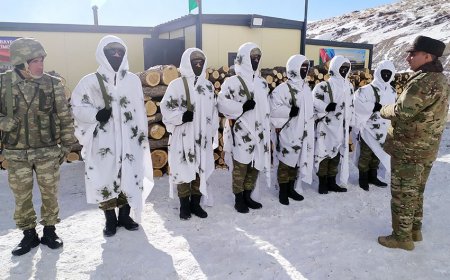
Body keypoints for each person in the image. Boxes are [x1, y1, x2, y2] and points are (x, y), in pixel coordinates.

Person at [71, 35, 154, 237]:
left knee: (128, 174)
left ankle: (125, 215)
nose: (116, 55)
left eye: (120, 52)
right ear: (102, 53)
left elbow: (140, 113)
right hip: (103, 141)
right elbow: (77, 106)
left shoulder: (133, 81)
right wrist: (95, 115)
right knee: (105, 176)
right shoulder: (89, 81)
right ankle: (110, 219)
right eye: (111, 52)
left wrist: (140, 139)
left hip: (129, 141)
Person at [0, 38, 76, 256]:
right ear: (21, 62)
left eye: (42, 60)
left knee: (50, 193)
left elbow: (64, 115)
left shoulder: (52, 83)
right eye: (35, 61)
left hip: (47, 151)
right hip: (16, 153)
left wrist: (66, 145)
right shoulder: (3, 83)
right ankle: (28, 235)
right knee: (21, 196)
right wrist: (4, 122)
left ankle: (50, 231)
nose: (40, 65)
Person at [378, 36, 449, 251]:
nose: (408, 57)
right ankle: (414, 230)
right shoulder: (440, 79)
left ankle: (402, 237)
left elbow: (403, 111)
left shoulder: (423, 81)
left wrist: (384, 109)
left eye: (413, 54)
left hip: (409, 149)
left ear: (428, 56)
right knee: (416, 191)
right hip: (426, 148)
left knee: (402, 193)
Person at [161, 48, 219, 220]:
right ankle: (184, 205)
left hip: (202, 136)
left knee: (199, 169)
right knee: (183, 170)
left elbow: (214, 112)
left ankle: (196, 203)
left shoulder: (208, 87)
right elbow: (166, 108)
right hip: (183, 135)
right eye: (195, 63)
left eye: (201, 62)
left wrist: (211, 133)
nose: (198, 65)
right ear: (188, 63)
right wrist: (180, 116)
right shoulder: (176, 85)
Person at [218, 42, 271, 213]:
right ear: (244, 59)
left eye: (258, 58)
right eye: (252, 57)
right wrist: (241, 108)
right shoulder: (232, 82)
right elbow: (221, 102)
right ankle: (238, 198)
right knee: (241, 166)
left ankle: (248, 195)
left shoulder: (263, 83)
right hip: (242, 130)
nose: (256, 61)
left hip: (260, 131)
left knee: (255, 165)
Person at [269, 54, 315, 205]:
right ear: (293, 69)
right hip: (288, 131)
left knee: (296, 162)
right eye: (301, 68)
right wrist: (288, 112)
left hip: (303, 132)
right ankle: (283, 191)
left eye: (306, 68)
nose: (304, 71)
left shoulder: (306, 89)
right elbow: (272, 109)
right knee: (285, 162)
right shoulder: (282, 89)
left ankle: (291, 188)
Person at [312, 55, 354, 194]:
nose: (344, 71)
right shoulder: (323, 86)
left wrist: (350, 122)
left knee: (336, 154)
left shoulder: (349, 86)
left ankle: (332, 181)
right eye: (341, 68)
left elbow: (351, 105)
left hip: (341, 127)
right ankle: (322, 183)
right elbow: (314, 101)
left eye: (346, 68)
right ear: (334, 67)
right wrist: (325, 107)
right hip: (326, 126)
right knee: (323, 153)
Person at [353, 60, 397, 191]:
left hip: (384, 129)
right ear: (378, 72)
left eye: (389, 73)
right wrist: (373, 107)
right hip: (368, 128)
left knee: (377, 154)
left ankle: (373, 176)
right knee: (366, 154)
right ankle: (363, 178)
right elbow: (357, 104)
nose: (386, 76)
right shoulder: (365, 90)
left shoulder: (392, 91)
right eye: (384, 73)